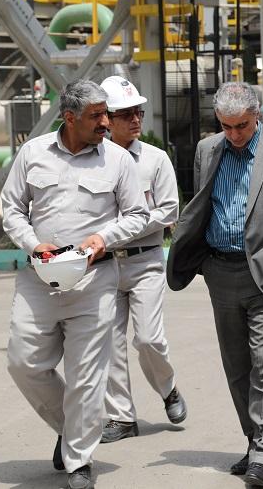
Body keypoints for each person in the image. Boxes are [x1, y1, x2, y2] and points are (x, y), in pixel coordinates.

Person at [1, 79, 149, 489]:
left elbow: (138, 215)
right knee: (23, 362)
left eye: (106, 114)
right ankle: (70, 428)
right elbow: (11, 209)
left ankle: (79, 460)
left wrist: (104, 238)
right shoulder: (33, 153)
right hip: (40, 278)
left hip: (93, 281)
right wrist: (34, 243)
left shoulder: (118, 160)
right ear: (69, 117)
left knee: (86, 376)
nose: (106, 122)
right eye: (96, 116)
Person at [166, 82, 263, 487]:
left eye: (242, 126)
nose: (233, 134)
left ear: (257, 116)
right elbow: (203, 203)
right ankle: (253, 441)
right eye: (226, 126)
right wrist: (203, 262)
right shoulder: (207, 150)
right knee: (236, 366)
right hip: (220, 271)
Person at [98, 75, 186, 443]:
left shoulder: (155, 159)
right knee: (107, 342)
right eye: (126, 114)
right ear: (106, 119)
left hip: (144, 261)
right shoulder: (93, 160)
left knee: (149, 339)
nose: (135, 119)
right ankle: (121, 418)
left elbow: (168, 210)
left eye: (138, 112)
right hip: (102, 264)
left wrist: (119, 230)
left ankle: (168, 389)